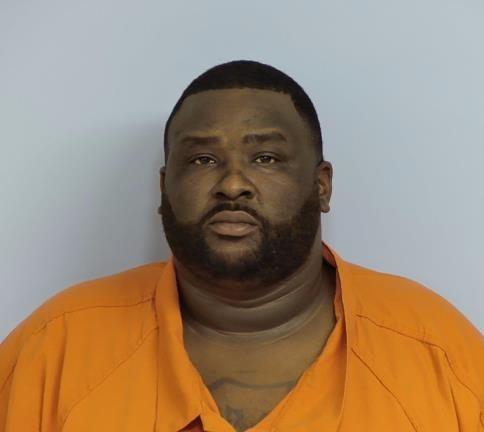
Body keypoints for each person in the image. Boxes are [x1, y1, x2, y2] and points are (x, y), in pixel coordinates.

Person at [0, 60, 482, 432]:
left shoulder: (441, 354)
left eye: (266, 157)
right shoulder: (53, 349)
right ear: (164, 188)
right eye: (203, 159)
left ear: (322, 186)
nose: (232, 184)